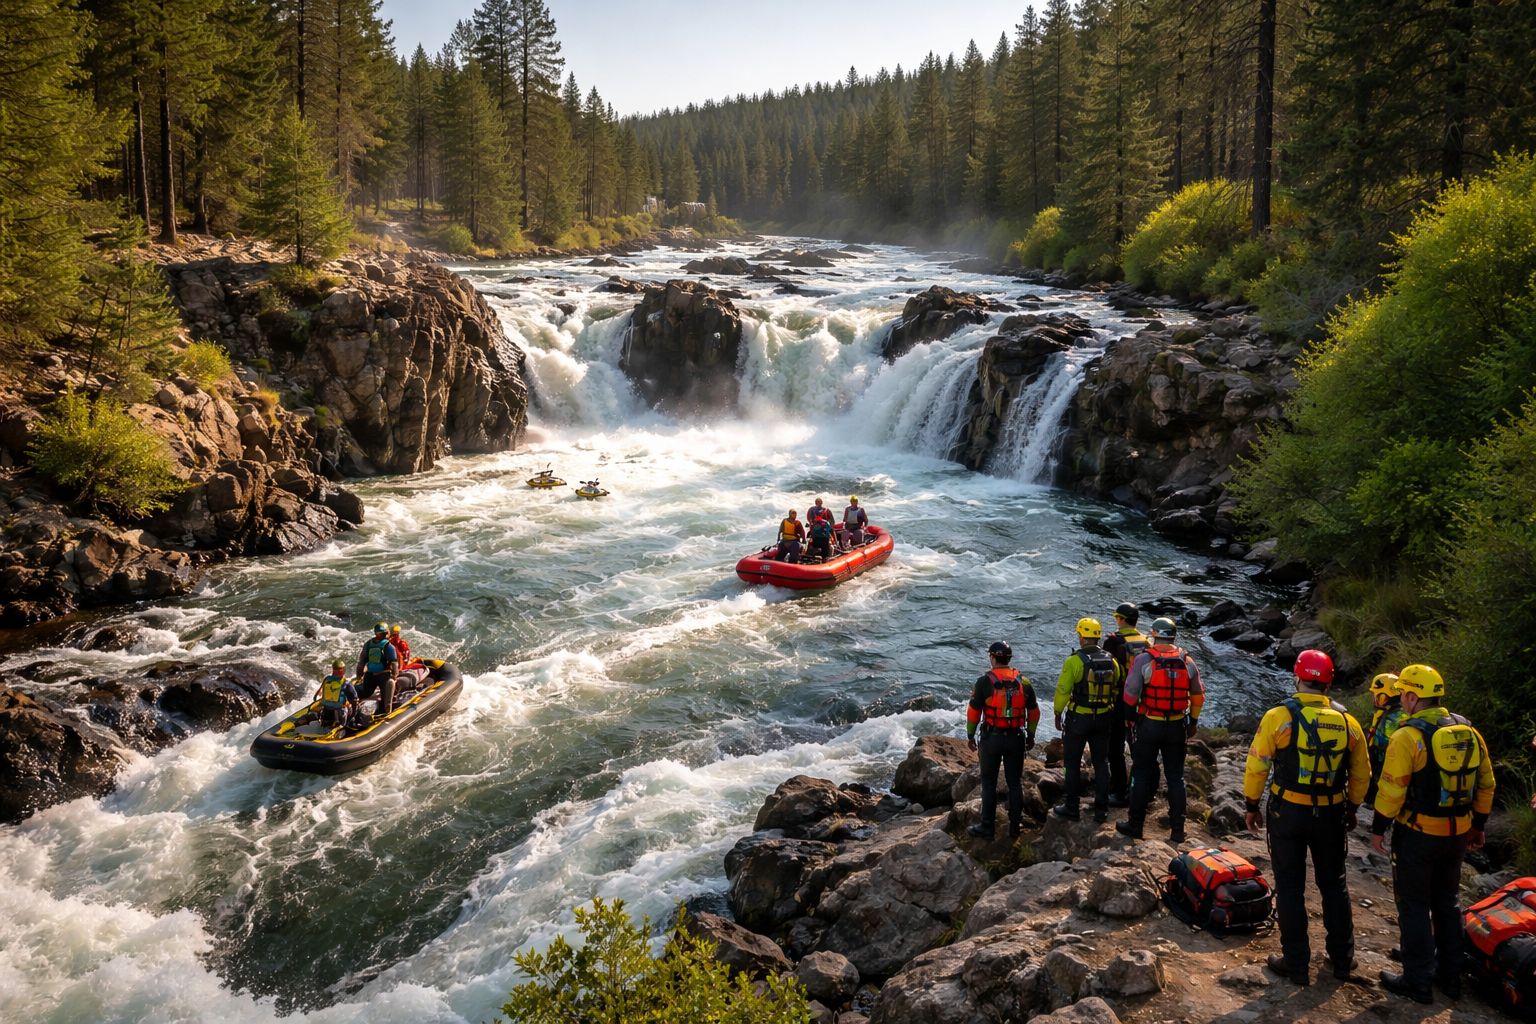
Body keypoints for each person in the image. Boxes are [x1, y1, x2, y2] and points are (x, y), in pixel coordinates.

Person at [1240, 649, 1368, 987]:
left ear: (1298, 677)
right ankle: (1342, 959)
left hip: (1288, 812)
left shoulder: (1279, 716)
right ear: (1328, 682)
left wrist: (1251, 805)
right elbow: (1361, 776)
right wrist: (1352, 809)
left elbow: (1257, 765)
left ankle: (1296, 964)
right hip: (1331, 812)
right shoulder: (1348, 722)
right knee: (1334, 884)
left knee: (1290, 886)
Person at [1373, 664, 1495, 1003]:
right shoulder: (1468, 730)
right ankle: (1450, 977)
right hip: (1457, 835)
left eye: (1403, 696)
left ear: (1412, 696)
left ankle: (1417, 980)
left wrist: (1379, 827)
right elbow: (1487, 783)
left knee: (1413, 905)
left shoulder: (1407, 736)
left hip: (1417, 834)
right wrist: (1479, 825)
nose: (1401, 701)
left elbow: (1392, 790)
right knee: (1448, 902)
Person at [1116, 617, 1204, 842]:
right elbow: (1198, 696)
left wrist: (1130, 720)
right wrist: (1193, 722)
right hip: (1177, 724)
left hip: (1150, 723)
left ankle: (1135, 826)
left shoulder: (1144, 659)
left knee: (1141, 772)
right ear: (1173, 635)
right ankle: (1178, 830)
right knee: (1176, 777)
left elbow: (1129, 695)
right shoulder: (1187, 660)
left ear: (1154, 634)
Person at [966, 640, 1040, 839]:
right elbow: (1034, 712)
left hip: (991, 738)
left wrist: (970, 735)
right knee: (1015, 783)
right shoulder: (1023, 681)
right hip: (1016, 737)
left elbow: (973, 712)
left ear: (992, 658)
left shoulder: (984, 681)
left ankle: (987, 827)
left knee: (989, 783)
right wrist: (1031, 736)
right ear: (1008, 659)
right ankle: (1015, 828)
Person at [1052, 617, 1123, 823]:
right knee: (1101, 762)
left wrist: (1057, 713)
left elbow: (1063, 690)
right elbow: (1117, 684)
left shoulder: (1074, 661)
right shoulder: (1112, 660)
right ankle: (1102, 809)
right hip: (1103, 718)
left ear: (1081, 637)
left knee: (1072, 763)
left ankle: (1072, 807)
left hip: (1079, 718)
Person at [1100, 601, 1150, 807]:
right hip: (1144, 700)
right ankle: (1144, 790)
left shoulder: (1112, 642)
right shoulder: (1148, 642)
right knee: (1140, 747)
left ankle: (1119, 792)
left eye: (1116, 618)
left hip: (1119, 700)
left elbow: (1105, 673)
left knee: (1115, 749)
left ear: (1121, 619)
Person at [1365, 672, 1403, 806]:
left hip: (1384, 768)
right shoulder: (1389, 712)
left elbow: (1382, 746)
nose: (1374, 698)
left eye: (1377, 695)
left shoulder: (1394, 717)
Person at [355, 621, 400, 719]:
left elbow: (361, 662)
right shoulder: (388, 646)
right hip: (383, 676)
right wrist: (394, 676)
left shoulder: (368, 644)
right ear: (386, 633)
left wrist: (359, 675)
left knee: (365, 692)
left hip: (369, 675)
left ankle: (353, 692)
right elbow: (394, 662)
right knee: (386, 697)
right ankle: (386, 710)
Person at [315, 659, 361, 730]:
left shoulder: (327, 679)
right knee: (356, 707)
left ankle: (324, 724)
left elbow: (317, 695)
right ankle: (350, 724)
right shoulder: (346, 683)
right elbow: (354, 700)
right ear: (344, 670)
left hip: (326, 711)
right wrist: (353, 715)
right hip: (339, 713)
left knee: (324, 726)